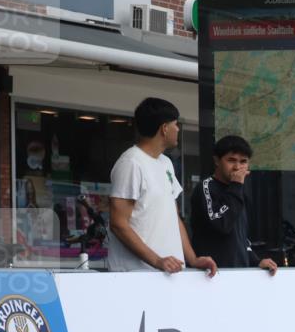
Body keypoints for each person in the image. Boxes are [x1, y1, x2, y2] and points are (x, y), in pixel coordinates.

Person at [108, 98, 216, 276]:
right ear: (164, 128)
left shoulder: (166, 163)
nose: (178, 129)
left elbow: (173, 216)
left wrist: (193, 259)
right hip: (136, 275)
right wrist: (157, 260)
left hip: (168, 274)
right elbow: (118, 224)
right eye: (176, 124)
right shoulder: (131, 163)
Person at [190, 135, 278, 275]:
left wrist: (256, 261)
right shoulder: (205, 187)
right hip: (210, 276)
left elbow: (240, 236)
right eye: (231, 160)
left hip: (239, 274)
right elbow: (221, 224)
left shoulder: (238, 192)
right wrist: (236, 186)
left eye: (243, 162)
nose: (237, 167)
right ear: (217, 161)